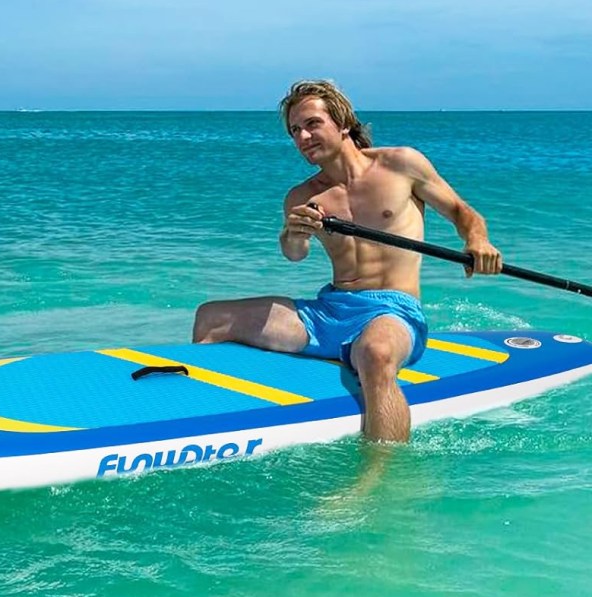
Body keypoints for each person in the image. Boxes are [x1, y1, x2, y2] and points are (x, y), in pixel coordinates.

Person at [192, 79, 503, 442]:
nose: (302, 137)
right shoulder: (302, 195)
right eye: (295, 130)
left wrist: (478, 241)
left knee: (375, 354)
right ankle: (205, 427)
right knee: (211, 317)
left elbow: (463, 213)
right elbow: (295, 256)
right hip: (328, 313)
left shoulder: (401, 165)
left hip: (392, 311)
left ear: (342, 123)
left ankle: (380, 476)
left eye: (312, 124)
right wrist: (293, 233)